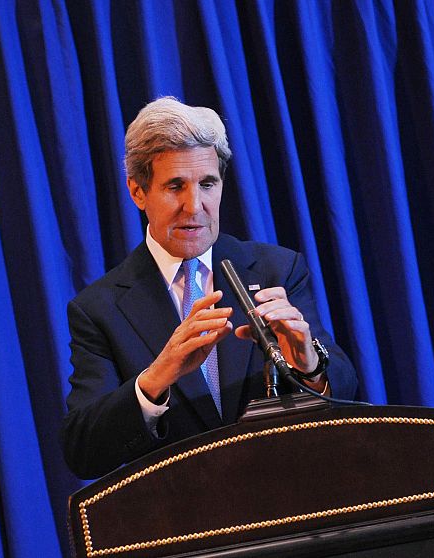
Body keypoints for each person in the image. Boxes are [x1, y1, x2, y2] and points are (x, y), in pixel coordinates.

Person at [62, 97, 357, 479]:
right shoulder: (99, 309)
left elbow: (345, 392)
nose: (194, 205)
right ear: (138, 192)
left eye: (207, 184)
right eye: (174, 186)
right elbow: (84, 451)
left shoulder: (276, 269)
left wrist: (309, 364)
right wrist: (157, 378)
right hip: (188, 525)